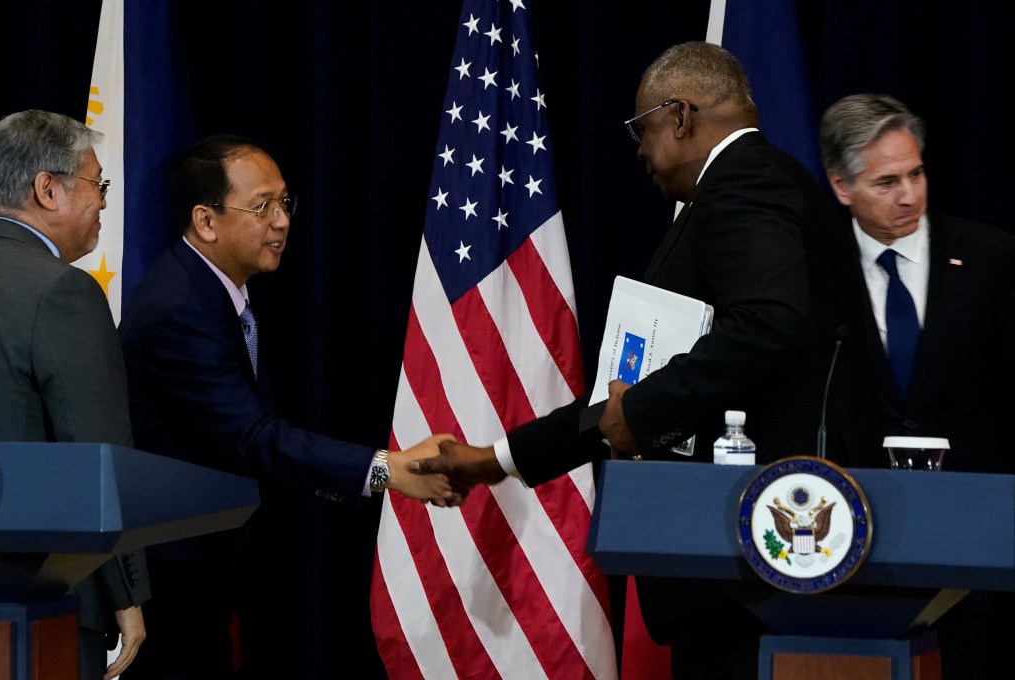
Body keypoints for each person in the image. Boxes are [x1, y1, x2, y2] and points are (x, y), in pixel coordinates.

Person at [413, 41, 845, 679]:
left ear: (680, 116)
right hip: (728, 562)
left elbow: (768, 326)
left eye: (641, 129)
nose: (640, 149)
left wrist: (638, 409)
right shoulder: (744, 189)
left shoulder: (746, 183)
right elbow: (634, 398)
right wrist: (498, 460)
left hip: (749, 561)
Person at [117, 133, 458, 679]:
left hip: (210, 567)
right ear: (206, 221)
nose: (281, 221)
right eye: (262, 206)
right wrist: (384, 469)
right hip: (175, 580)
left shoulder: (213, 290)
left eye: (285, 203)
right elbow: (253, 437)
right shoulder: (179, 310)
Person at [817, 93, 1015, 680]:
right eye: (886, 182)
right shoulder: (816, 271)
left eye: (916, 173)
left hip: (969, 542)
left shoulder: (989, 258)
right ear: (840, 186)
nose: (909, 195)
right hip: (855, 543)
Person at [0, 109, 150, 680]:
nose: (104, 202)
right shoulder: (62, 292)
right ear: (47, 188)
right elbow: (96, 455)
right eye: (97, 185)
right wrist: (127, 595)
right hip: (36, 610)